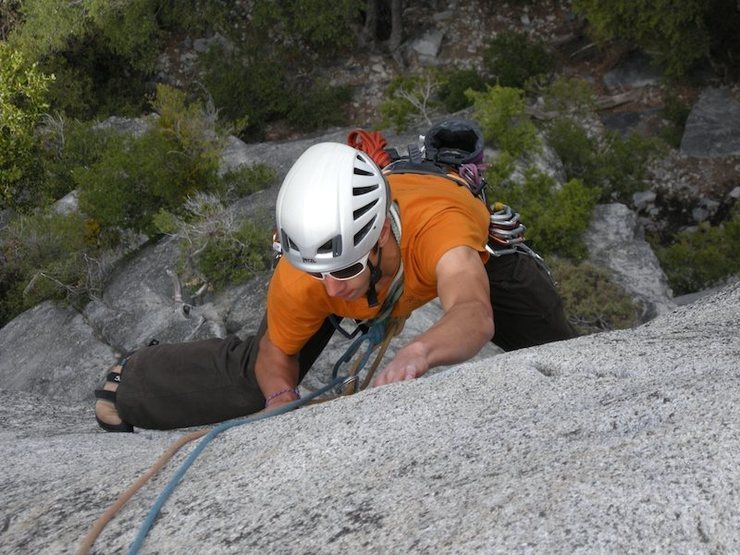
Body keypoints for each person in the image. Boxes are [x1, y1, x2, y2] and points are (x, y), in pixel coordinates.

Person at [94, 140, 575, 432]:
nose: (331, 290)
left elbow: (472, 310)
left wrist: (417, 353)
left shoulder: (440, 230)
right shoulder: (306, 276)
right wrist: (281, 402)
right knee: (252, 384)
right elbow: (275, 356)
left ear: (381, 236)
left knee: (558, 350)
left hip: (476, 248)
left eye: (343, 271)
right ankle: (134, 379)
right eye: (316, 273)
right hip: (375, 258)